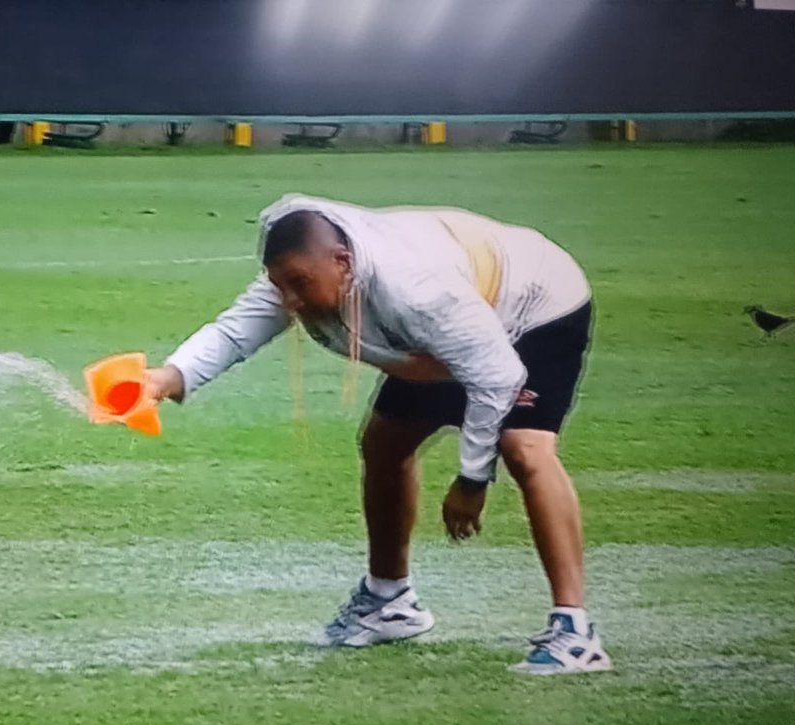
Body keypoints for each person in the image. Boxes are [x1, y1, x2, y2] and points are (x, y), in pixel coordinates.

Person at [144, 194, 610, 675]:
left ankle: (575, 632)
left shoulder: (417, 291)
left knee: (524, 448)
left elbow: (495, 375)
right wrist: (162, 380)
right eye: (280, 286)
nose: (290, 301)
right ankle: (390, 602)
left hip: (533, 306)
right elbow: (231, 334)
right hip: (444, 337)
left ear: (343, 262)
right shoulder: (301, 274)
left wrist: (472, 480)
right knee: (384, 441)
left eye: (299, 285)